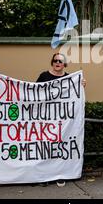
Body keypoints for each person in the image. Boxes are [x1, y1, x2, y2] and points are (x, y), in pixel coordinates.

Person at [35, 53, 86, 187]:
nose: (57, 63)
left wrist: (81, 86)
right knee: (45, 147)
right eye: (55, 60)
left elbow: (75, 95)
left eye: (60, 61)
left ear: (64, 64)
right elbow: (34, 94)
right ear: (52, 62)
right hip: (46, 119)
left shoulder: (70, 79)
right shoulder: (44, 76)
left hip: (63, 122)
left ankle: (60, 174)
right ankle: (45, 176)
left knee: (60, 147)